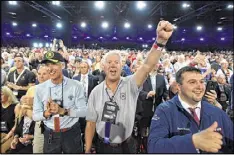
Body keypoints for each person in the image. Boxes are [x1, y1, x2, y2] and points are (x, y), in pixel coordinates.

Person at [85, 20, 174, 153]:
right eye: (109, 62)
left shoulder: (130, 83)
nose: (113, 65)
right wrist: (86, 150)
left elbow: (147, 66)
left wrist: (160, 42)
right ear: (103, 67)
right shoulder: (96, 92)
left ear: (122, 66)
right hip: (103, 146)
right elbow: (91, 123)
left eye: (116, 62)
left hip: (127, 145)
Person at [148, 66, 233, 153]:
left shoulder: (217, 112)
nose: (199, 86)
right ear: (178, 86)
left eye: (201, 82)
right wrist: (192, 141)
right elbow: (154, 147)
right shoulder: (165, 110)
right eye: (192, 82)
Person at [33, 51, 87, 153]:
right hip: (50, 134)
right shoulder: (40, 88)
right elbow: (35, 115)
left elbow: (84, 111)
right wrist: (46, 113)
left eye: (53, 64)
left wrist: (64, 111)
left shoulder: (76, 85)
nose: (50, 68)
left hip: (71, 133)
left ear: (62, 65)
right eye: (47, 65)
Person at [1, 86, 19, 153]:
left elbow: (17, 124)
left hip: (11, 134)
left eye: (1, 94)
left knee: (2, 149)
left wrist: (7, 137)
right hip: (1, 132)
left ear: (8, 95)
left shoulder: (15, 107)